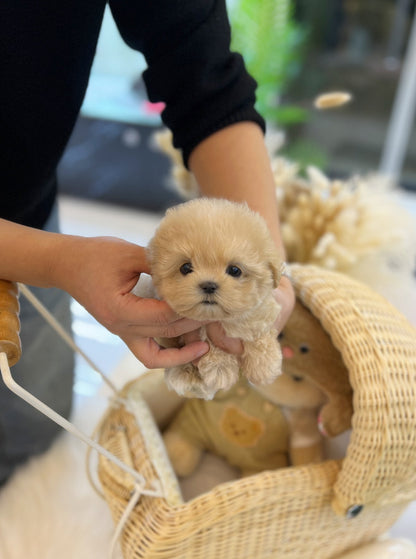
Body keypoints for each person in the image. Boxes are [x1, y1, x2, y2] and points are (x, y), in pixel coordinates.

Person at [0, 0, 295, 484]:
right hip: (42, 245)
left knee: (36, 431)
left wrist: (273, 279)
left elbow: (204, 79)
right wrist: (57, 261)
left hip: (29, 215)